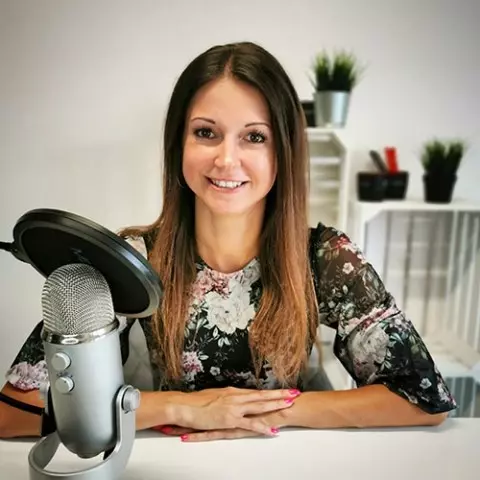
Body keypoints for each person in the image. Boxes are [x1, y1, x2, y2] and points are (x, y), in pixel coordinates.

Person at [0, 41, 456, 442]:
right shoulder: (133, 259)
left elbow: (423, 399)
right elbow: (12, 411)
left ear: (283, 153)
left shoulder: (326, 259)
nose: (226, 159)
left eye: (254, 137)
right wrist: (181, 408)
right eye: (206, 132)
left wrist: (273, 411)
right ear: (178, 143)